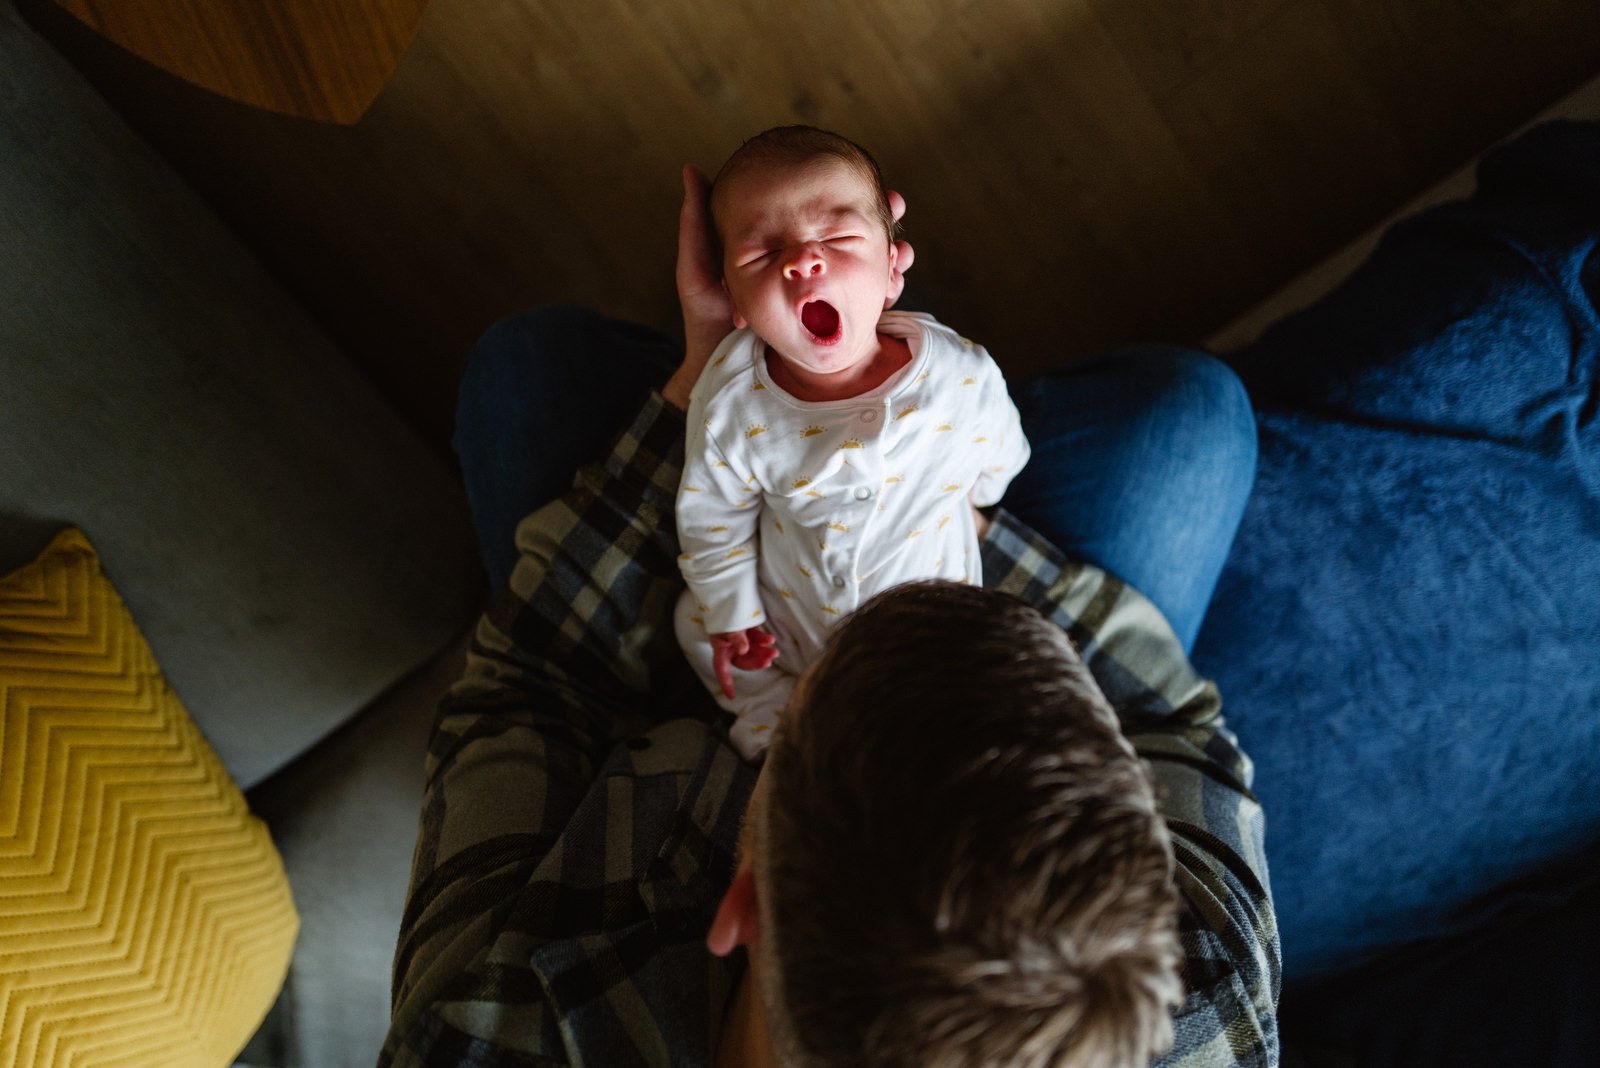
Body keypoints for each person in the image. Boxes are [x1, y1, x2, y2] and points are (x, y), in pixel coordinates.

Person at [380, 160, 1278, 1066]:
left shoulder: (478, 1025)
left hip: (700, 688)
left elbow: (525, 684)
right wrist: (953, 512)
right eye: (773, 249)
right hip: (963, 562)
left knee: (533, 368)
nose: (804, 262)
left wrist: (700, 395)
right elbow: (1176, 727)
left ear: (745, 903)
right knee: (1184, 424)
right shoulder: (1211, 1000)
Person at [675, 127, 1030, 758]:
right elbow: (711, 516)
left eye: (839, 238)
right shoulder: (732, 401)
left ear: (894, 269)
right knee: (696, 623)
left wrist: (982, 494)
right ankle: (773, 717)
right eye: (761, 254)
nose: (803, 261)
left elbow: (999, 439)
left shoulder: (957, 373)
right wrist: (733, 612)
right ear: (732, 300)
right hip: (789, 618)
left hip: (929, 628)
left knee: (970, 688)